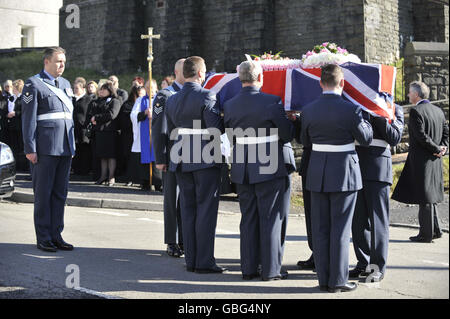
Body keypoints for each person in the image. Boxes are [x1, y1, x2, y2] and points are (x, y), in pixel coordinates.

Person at [300, 64, 373, 293]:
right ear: (342, 83)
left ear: (321, 83)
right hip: (344, 173)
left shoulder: (309, 109)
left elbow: (304, 140)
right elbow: (366, 138)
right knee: (340, 229)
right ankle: (338, 280)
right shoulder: (351, 110)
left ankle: (324, 279)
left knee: (321, 228)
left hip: (318, 171)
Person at [223, 61, 295, 281]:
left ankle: (249, 268)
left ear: (240, 79)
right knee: (271, 217)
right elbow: (287, 134)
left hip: (243, 165)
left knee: (248, 218)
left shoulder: (230, 104)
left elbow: (231, 136)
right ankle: (271, 269)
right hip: (268, 164)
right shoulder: (272, 101)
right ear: (260, 78)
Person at [165, 56, 225, 274]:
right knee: (206, 210)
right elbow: (215, 130)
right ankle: (205, 261)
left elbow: (172, 128)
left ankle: (191, 260)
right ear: (201, 73)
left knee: (188, 210)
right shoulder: (207, 95)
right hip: (203, 158)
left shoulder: (172, 98)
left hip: (181, 156)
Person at [21, 47, 76, 253]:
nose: (62, 65)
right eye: (58, 61)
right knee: (43, 194)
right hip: (44, 148)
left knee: (60, 194)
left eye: (64, 61)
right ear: (46, 62)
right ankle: (43, 236)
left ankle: (56, 234)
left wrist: (72, 144)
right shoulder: (33, 84)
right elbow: (28, 119)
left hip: (64, 147)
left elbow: (67, 118)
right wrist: (30, 148)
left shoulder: (65, 84)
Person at [350, 96, 404, 283]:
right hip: (355, 165)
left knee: (378, 221)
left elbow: (394, 138)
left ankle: (377, 267)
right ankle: (363, 263)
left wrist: (380, 115)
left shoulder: (394, 108)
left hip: (379, 168)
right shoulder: (356, 104)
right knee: (358, 221)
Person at [392, 81, 449, 243]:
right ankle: (436, 230)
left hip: (423, 160)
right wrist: (442, 148)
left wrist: (437, 149)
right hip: (435, 159)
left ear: (416, 94)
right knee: (431, 196)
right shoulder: (438, 111)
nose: (408, 95)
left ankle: (425, 234)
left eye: (410, 92)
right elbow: (446, 134)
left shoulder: (416, 111)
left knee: (424, 197)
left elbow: (421, 136)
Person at [152, 59, 185, 258]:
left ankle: (185, 239)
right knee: (172, 199)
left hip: (189, 154)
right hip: (171, 154)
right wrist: (160, 157)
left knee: (186, 200)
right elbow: (158, 129)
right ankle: (172, 240)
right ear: (176, 72)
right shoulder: (165, 95)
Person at [128, 80, 162, 191]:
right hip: (144, 135)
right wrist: (144, 113)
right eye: (147, 88)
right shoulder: (140, 100)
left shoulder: (160, 99)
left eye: (151, 87)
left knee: (156, 156)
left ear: (156, 87)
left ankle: (158, 182)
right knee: (145, 157)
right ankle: (146, 181)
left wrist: (154, 114)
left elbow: (164, 114)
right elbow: (133, 115)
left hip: (156, 133)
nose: (149, 90)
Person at [87, 81, 121, 186]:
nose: (101, 91)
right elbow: (92, 113)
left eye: (103, 89)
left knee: (111, 156)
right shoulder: (98, 101)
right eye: (100, 89)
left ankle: (111, 176)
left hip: (110, 132)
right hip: (100, 131)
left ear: (110, 90)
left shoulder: (115, 101)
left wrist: (97, 118)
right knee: (102, 156)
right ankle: (103, 176)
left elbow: (111, 115)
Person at [118, 85, 146, 185]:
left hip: (141, 133)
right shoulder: (128, 105)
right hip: (129, 134)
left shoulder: (146, 103)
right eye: (140, 94)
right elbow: (126, 119)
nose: (142, 96)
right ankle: (130, 177)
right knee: (130, 156)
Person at [72, 79, 93, 175]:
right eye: (74, 88)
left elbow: (89, 113)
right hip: (74, 127)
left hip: (84, 128)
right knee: (76, 148)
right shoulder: (72, 99)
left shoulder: (88, 99)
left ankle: (84, 170)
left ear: (83, 88)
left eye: (77, 88)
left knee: (84, 148)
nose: (75, 90)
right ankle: (76, 169)